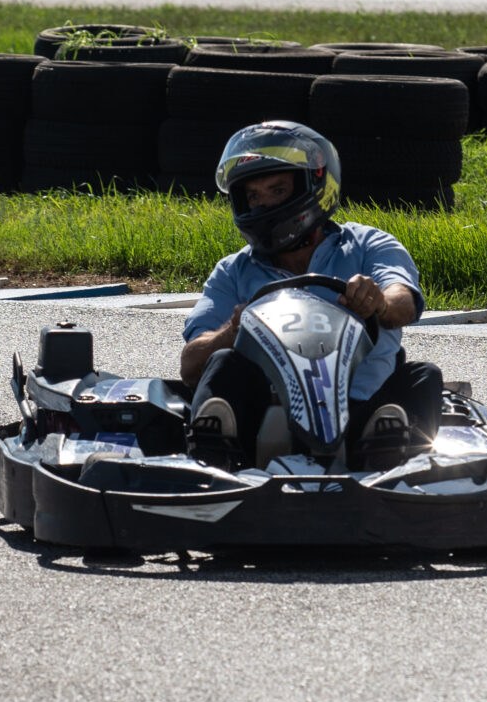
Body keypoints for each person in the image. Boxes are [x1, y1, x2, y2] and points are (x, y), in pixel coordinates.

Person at [178, 120, 442, 470]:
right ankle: (214, 461)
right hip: (262, 420)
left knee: (423, 374)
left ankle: (392, 459)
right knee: (223, 362)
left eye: (276, 190)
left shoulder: (367, 245)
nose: (262, 205)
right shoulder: (233, 270)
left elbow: (403, 301)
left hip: (363, 414)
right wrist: (233, 330)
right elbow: (190, 364)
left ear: (315, 184)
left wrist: (377, 302)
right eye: (252, 196)